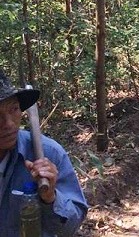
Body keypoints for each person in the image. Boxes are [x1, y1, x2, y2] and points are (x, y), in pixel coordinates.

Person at [0, 70, 88, 236]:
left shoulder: (48, 152)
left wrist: (51, 198)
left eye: (14, 109)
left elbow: (73, 223)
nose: (9, 124)